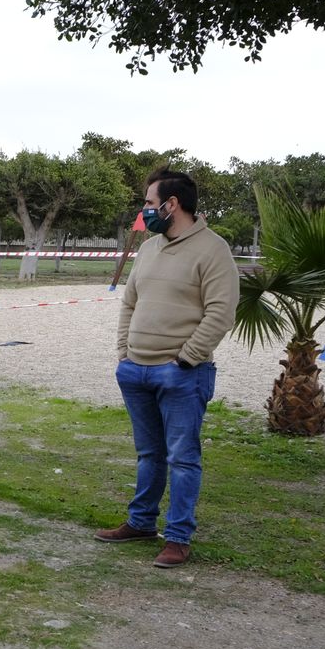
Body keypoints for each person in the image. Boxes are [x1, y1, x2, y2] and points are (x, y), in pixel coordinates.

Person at [96, 168, 239, 569]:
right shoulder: (149, 248)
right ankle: (140, 522)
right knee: (149, 454)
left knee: (182, 458)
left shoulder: (213, 250)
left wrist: (185, 360)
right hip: (135, 370)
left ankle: (178, 537)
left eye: (148, 203)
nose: (145, 211)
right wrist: (124, 353)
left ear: (171, 204)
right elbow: (130, 302)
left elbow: (220, 312)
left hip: (181, 374)